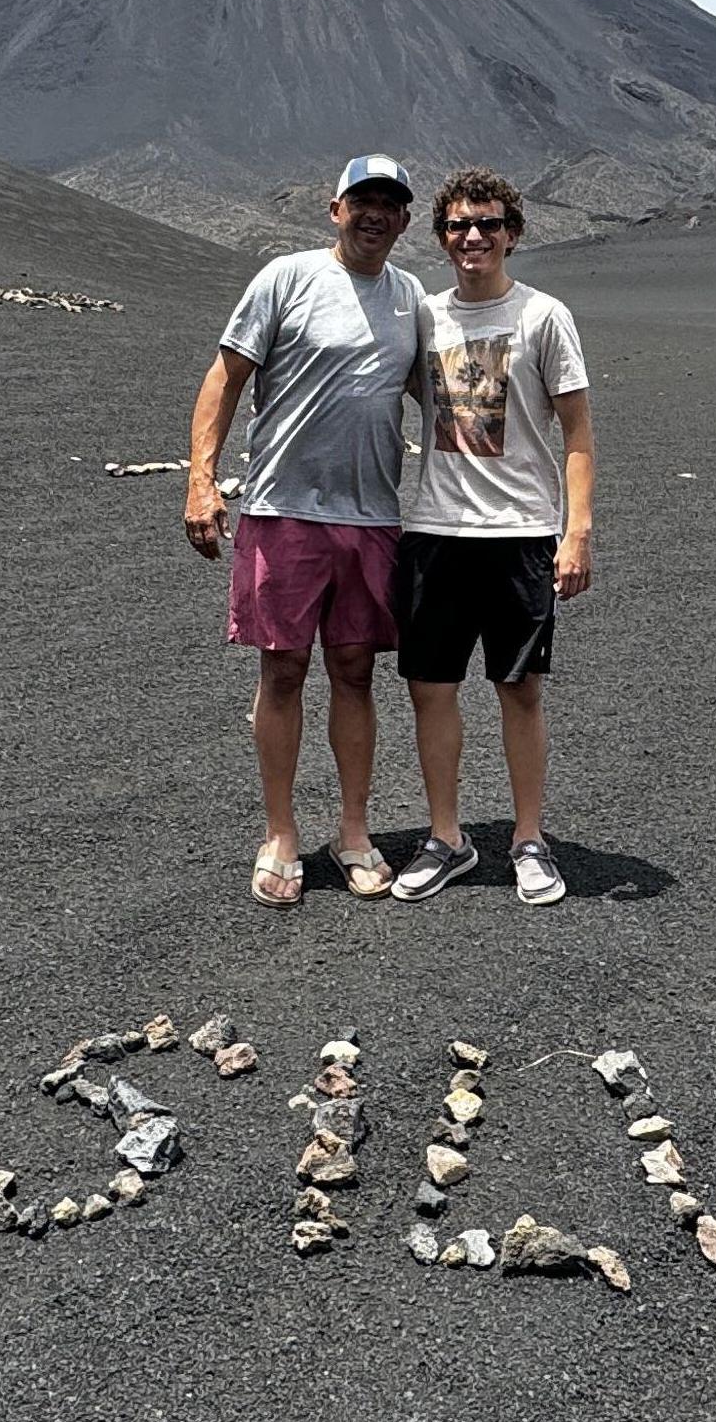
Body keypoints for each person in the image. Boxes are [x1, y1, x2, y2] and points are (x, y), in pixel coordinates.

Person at [184, 154, 424, 907]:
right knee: (282, 670)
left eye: (389, 204)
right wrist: (201, 478)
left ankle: (353, 832)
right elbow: (226, 377)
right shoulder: (285, 279)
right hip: (283, 510)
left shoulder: (411, 297)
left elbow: (445, 403)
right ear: (335, 209)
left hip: (370, 516)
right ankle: (280, 833)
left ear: (405, 220)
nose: (375, 214)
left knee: (356, 670)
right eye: (362, 201)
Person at [389, 167, 594, 907]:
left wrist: (577, 532)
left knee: (519, 688)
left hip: (520, 532)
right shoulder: (423, 317)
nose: (473, 236)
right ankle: (447, 838)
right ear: (441, 236)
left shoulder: (543, 317)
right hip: (437, 529)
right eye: (458, 226)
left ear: (513, 232)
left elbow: (576, 433)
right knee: (430, 689)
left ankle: (528, 839)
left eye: (489, 223)